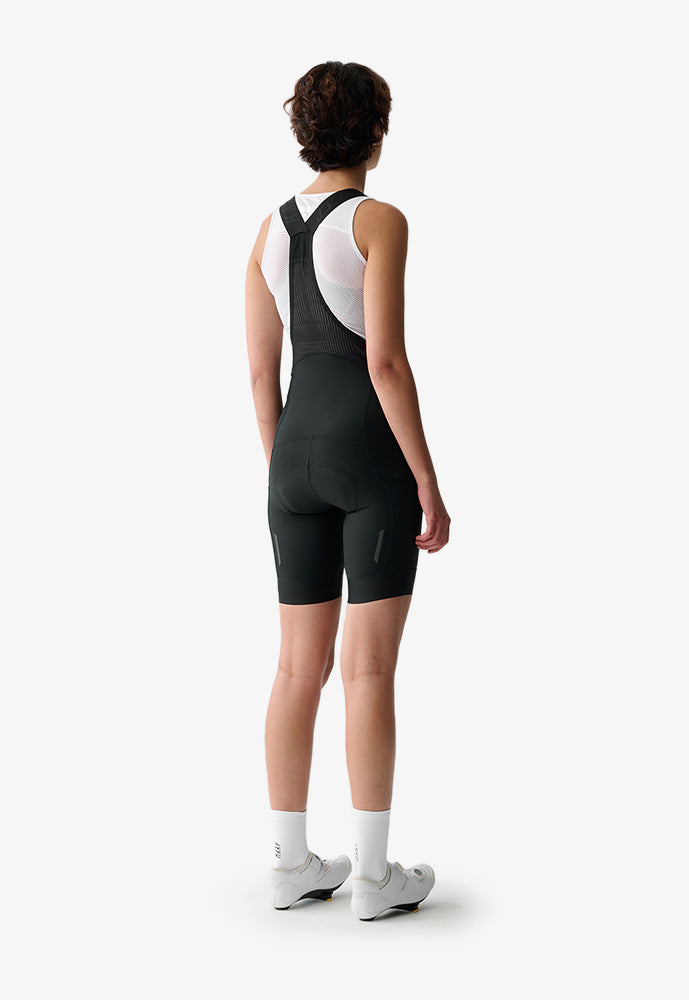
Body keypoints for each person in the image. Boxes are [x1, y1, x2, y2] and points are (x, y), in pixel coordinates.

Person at [244, 61, 450, 921]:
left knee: (297, 667)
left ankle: (290, 864)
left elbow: (263, 376)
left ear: (304, 132)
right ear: (376, 131)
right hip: (369, 455)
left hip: (290, 461)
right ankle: (370, 876)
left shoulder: (266, 231)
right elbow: (386, 361)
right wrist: (427, 479)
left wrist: (286, 470)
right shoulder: (378, 220)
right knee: (367, 668)